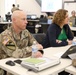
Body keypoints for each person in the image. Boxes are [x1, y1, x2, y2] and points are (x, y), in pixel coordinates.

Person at [0, 10, 43, 75]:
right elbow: (16, 53)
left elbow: (37, 45)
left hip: (24, 63)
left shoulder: (25, 32)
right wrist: (33, 49)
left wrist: (39, 52)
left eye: (26, 19)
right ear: (14, 20)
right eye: (23, 19)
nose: (26, 22)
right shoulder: (4, 37)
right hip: (8, 69)